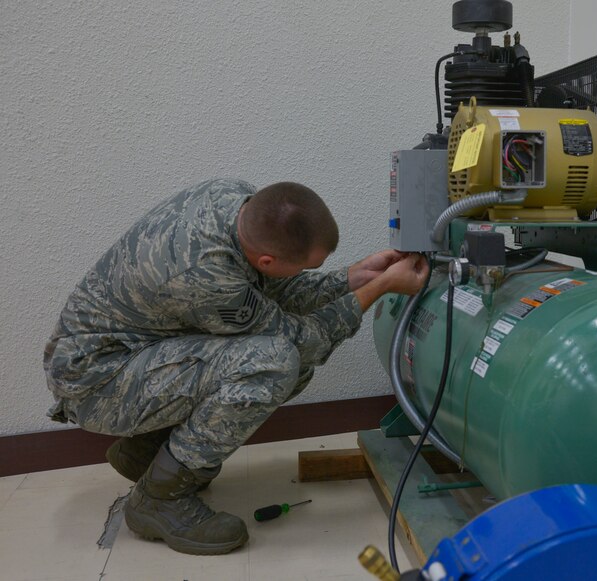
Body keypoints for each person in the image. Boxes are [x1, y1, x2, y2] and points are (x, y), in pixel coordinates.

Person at [43, 179, 429, 555]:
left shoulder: (236, 200)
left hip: (135, 351)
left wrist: (352, 277)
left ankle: (148, 451)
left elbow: (270, 295)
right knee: (274, 363)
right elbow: (300, 341)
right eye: (303, 267)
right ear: (266, 260)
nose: (305, 272)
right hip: (97, 382)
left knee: (283, 360)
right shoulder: (207, 275)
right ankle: (157, 499)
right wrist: (376, 290)